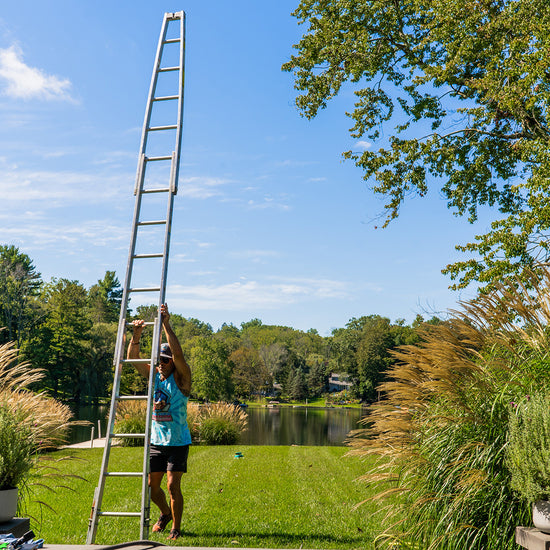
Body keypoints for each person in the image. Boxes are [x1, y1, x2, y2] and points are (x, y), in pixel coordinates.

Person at [127, 303, 192, 541]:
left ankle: (176, 528)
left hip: (177, 442)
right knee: (153, 489)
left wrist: (166, 324)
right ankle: (164, 513)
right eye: (159, 360)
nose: (161, 363)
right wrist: (136, 334)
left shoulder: (182, 379)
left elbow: (179, 355)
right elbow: (132, 359)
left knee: (174, 486)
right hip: (157, 441)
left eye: (165, 360)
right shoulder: (154, 377)